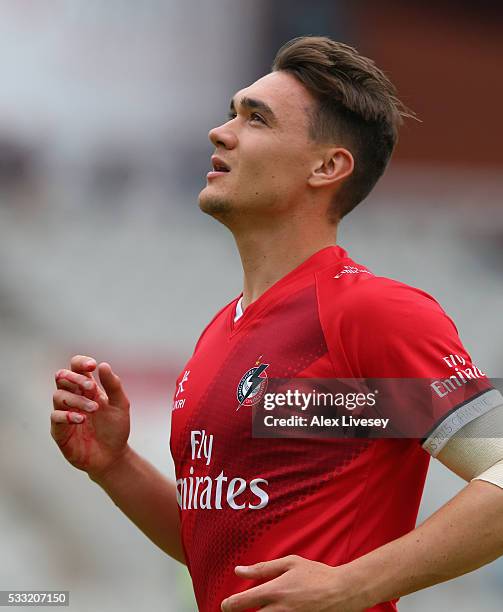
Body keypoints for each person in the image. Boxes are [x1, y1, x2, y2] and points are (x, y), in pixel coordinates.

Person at [51, 36, 503, 612]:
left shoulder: (372, 313)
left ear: (328, 166)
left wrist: (355, 583)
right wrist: (115, 467)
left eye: (256, 119)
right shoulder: (220, 333)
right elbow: (224, 555)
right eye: (230, 112)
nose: (221, 132)